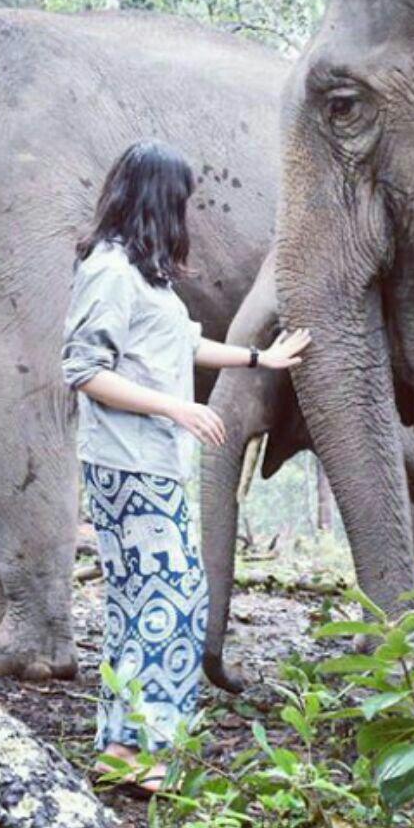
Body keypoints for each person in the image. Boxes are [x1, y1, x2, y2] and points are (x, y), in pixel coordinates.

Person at [62, 139, 309, 793]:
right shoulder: (110, 272)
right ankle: (140, 755)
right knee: (169, 606)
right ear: (158, 202)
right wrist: (177, 410)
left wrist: (260, 360)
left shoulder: (140, 273)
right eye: (182, 202)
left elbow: (180, 342)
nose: (187, 216)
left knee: (145, 605)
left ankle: (125, 752)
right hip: (129, 465)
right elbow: (84, 370)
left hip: (152, 466)